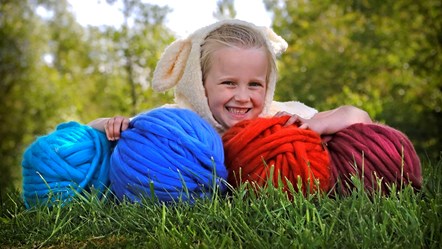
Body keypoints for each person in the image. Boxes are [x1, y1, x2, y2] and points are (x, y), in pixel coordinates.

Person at [88, 19, 372, 141]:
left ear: (268, 85)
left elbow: (358, 116)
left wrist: (314, 125)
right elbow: (91, 128)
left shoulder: (278, 119)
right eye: (228, 83)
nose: (243, 96)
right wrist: (116, 124)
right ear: (199, 85)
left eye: (255, 84)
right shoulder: (180, 120)